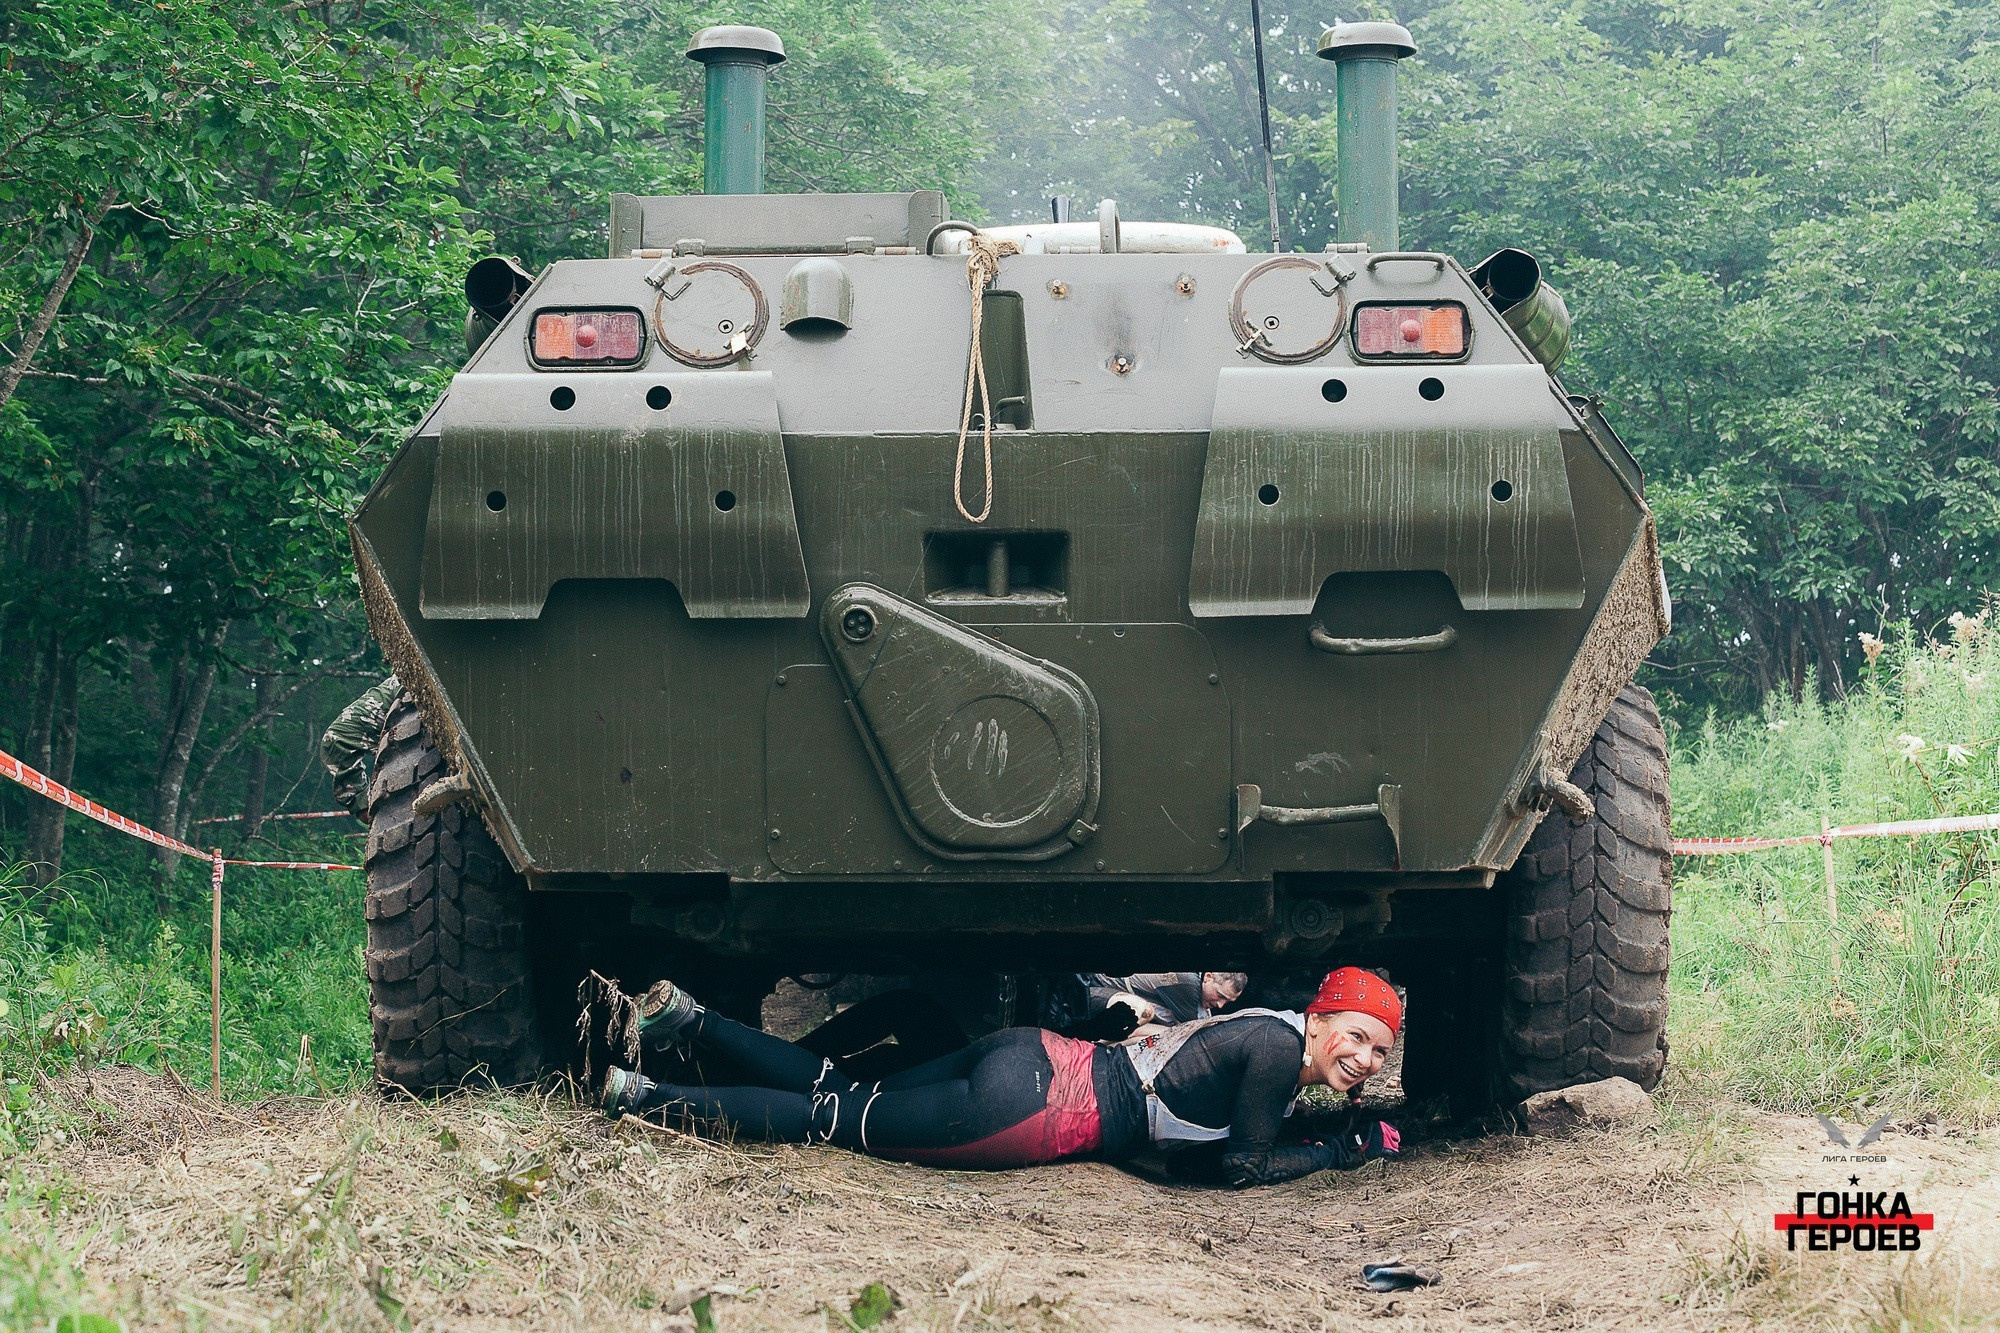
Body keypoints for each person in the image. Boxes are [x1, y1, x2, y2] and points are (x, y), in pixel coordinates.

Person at [598, 965, 1402, 1187]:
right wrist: (1345, 1149)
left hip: (1032, 1054)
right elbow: (1240, 1168)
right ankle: (647, 1098)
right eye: (1359, 1037)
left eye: (1380, 1054)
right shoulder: (1273, 1049)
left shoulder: (1264, 1038)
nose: (1364, 1059)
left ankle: (694, 1022)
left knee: (845, 1093)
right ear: (1322, 1016)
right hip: (1035, 1107)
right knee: (832, 1120)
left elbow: (1203, 1146)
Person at [319, 674, 400, 819]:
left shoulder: (405, 682)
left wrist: (361, 805)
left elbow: (337, 740)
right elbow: (337, 739)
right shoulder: (410, 680)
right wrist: (363, 806)